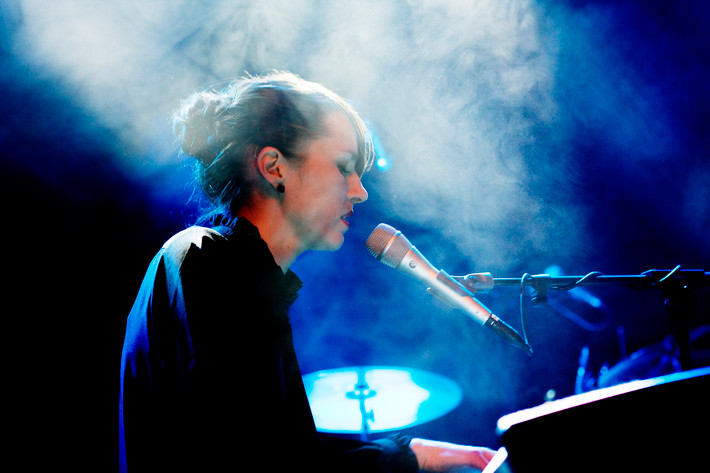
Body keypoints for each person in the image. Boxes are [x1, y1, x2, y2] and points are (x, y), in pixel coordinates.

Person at [119, 71, 496, 472]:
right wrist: (405, 459)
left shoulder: (235, 274)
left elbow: (278, 448)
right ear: (274, 167)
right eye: (343, 167)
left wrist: (414, 455)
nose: (360, 191)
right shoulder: (206, 262)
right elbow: (264, 461)